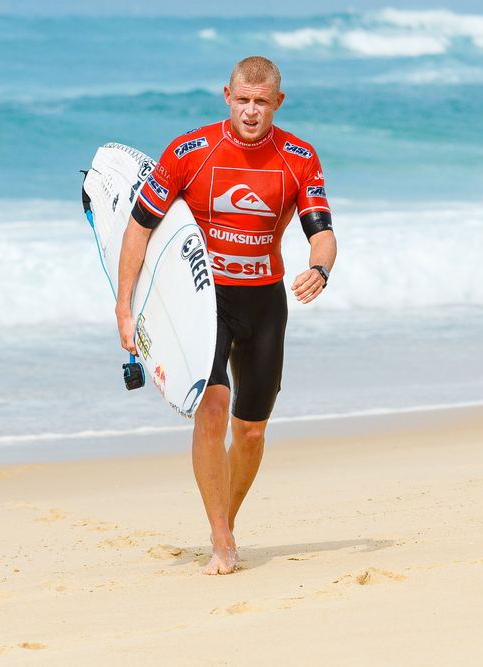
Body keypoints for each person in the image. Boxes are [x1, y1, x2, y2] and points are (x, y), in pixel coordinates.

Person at [115, 56, 337, 575]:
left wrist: (320, 269)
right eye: (243, 99)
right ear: (227, 96)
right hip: (203, 299)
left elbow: (322, 232)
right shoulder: (190, 151)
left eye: (262, 101)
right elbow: (139, 227)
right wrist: (125, 307)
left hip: (264, 303)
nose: (252, 111)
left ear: (278, 103)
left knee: (252, 431)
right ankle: (222, 540)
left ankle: (225, 520)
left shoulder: (299, 158)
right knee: (212, 408)